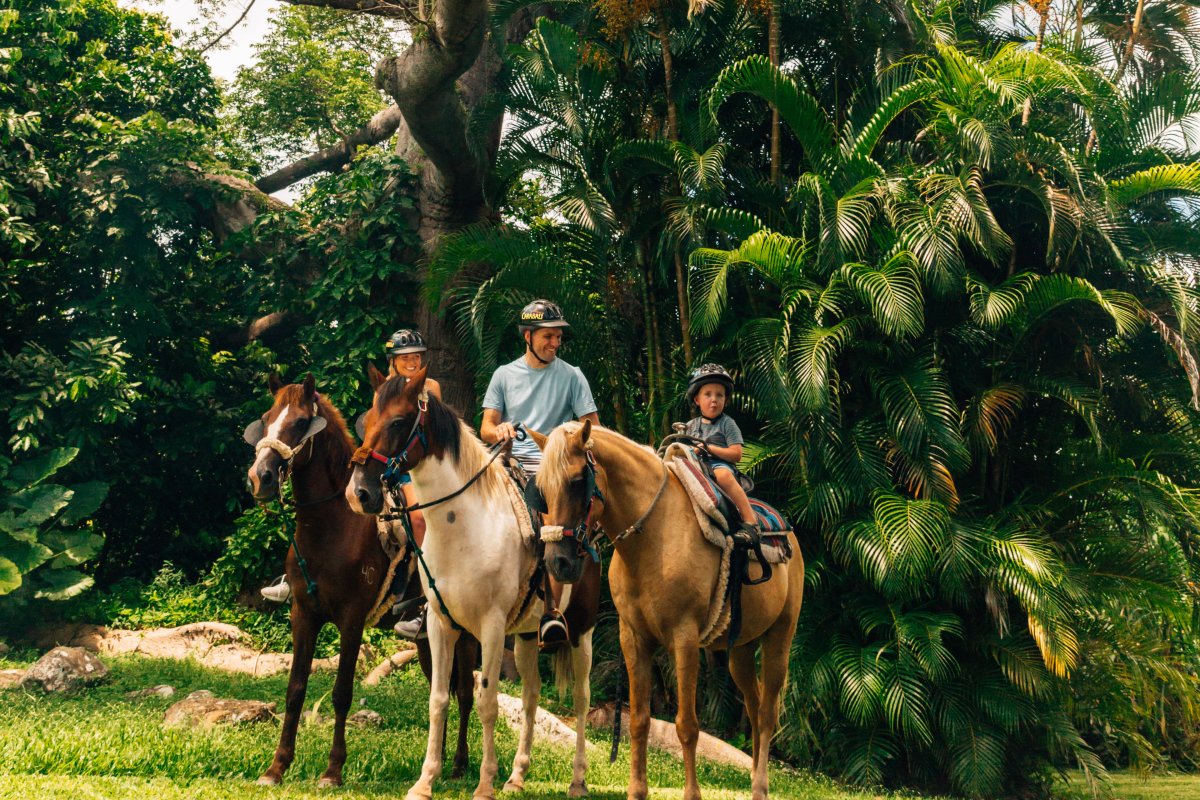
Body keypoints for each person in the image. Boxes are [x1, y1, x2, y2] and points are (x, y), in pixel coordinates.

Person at [259, 329, 443, 632]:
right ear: (393, 361)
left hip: (416, 467)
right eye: (405, 358)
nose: (412, 362)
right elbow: (376, 431)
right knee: (327, 510)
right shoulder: (382, 389)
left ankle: (426, 598)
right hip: (386, 466)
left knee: (419, 519)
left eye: (416, 357)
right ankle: (296, 577)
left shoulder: (430, 387)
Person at [480, 299, 600, 646]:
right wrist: (498, 431)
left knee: (553, 526)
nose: (555, 344)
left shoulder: (572, 375)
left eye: (558, 337)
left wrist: (566, 441)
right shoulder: (504, 374)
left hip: (555, 466)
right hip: (509, 460)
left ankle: (551, 613)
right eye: (548, 336)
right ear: (528, 336)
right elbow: (486, 426)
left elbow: (592, 428)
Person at [682, 363, 760, 547]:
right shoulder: (689, 426)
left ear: (726, 400)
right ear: (697, 399)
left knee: (722, 475)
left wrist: (708, 448)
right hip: (696, 468)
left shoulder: (728, 424)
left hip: (719, 466)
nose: (714, 400)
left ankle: (751, 523)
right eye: (707, 394)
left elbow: (737, 454)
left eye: (719, 395)